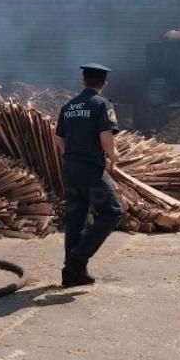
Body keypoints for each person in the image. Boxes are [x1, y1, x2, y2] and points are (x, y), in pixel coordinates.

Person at [53, 63, 123, 287]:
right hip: (90, 170)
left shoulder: (69, 106)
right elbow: (106, 135)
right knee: (111, 212)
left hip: (70, 167)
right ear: (104, 83)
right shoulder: (102, 104)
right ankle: (78, 258)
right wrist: (113, 156)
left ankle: (72, 273)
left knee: (76, 217)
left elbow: (58, 137)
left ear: (83, 81)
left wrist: (70, 155)